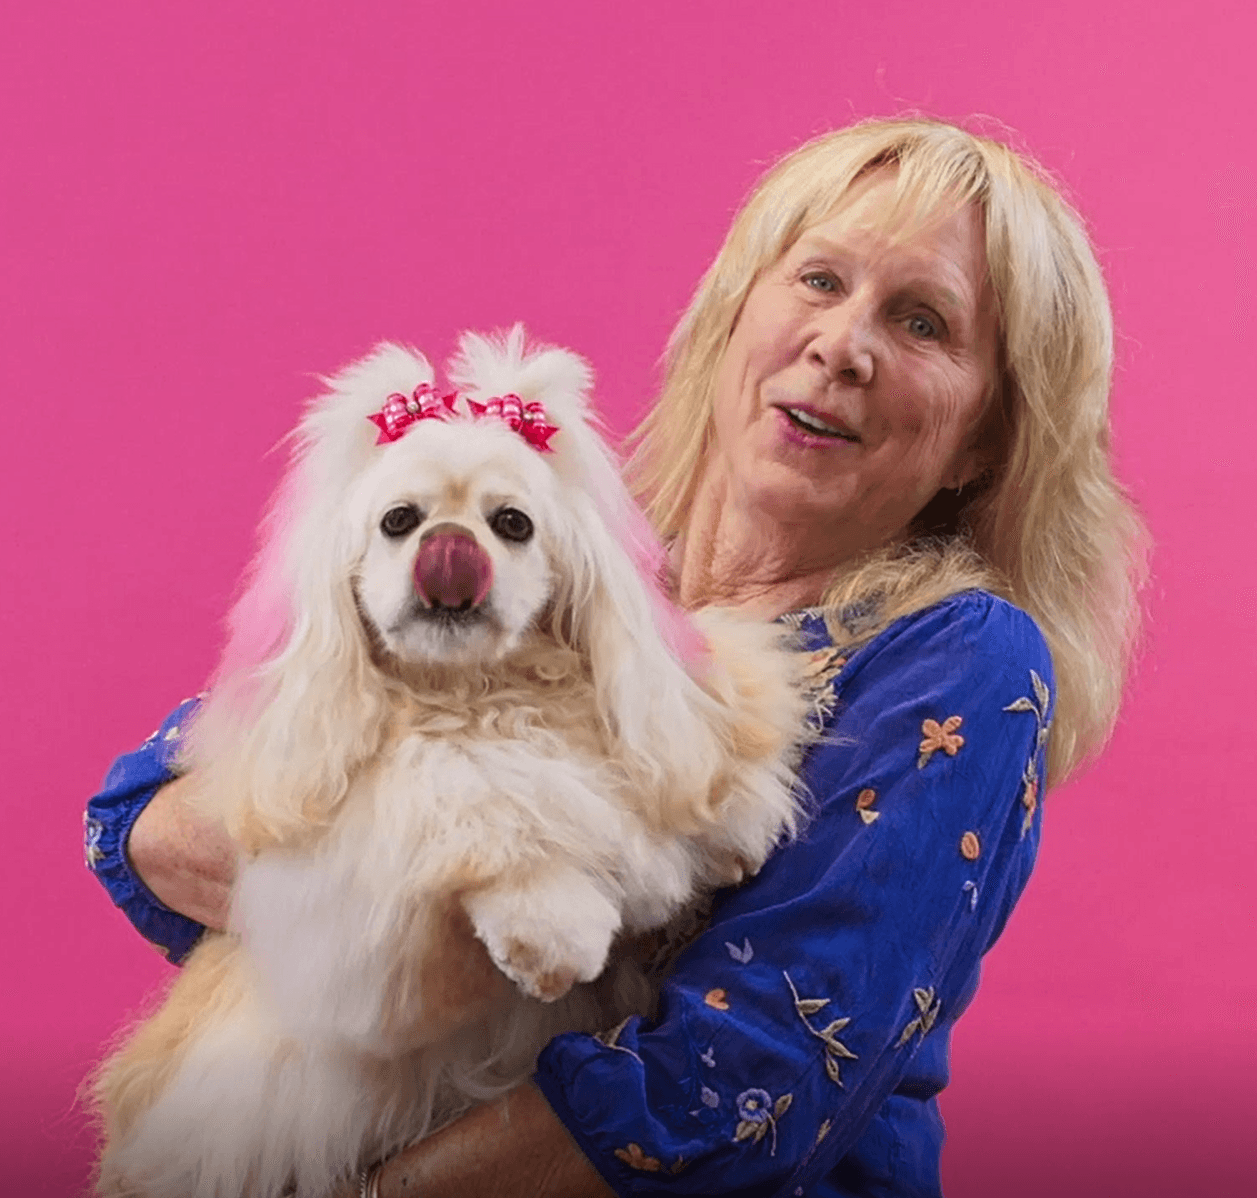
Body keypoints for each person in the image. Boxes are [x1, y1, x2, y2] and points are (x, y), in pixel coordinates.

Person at [85, 117, 1147, 1197]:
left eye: (921, 321)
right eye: (818, 278)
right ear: (737, 312)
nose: (843, 345)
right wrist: (448, 888)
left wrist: (365, 884)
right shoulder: (561, 548)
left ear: (985, 436)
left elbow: (733, 1088)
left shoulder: (959, 658)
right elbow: (144, 824)